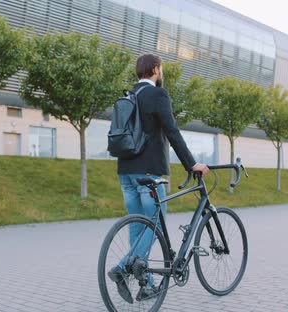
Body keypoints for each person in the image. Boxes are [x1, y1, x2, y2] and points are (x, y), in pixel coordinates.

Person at [107, 54, 209, 303]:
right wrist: (191, 163)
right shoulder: (158, 95)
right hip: (149, 172)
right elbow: (172, 132)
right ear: (155, 69)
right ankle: (123, 268)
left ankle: (147, 285)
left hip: (126, 172)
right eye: (160, 69)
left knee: (137, 227)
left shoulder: (129, 95)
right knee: (155, 226)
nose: (161, 72)